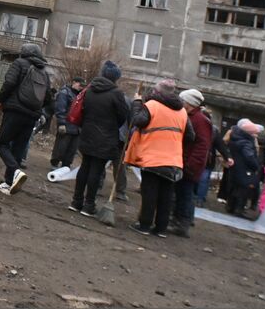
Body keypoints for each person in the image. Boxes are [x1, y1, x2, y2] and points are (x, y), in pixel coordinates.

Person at [124, 78, 189, 237]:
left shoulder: (152, 106)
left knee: (150, 193)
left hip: (153, 157)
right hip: (174, 159)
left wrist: (137, 104)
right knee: (166, 195)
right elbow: (191, 135)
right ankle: (161, 229)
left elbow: (136, 121)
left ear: (157, 92)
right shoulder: (182, 111)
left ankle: (144, 225)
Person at [69, 61, 130, 218]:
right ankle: (89, 205)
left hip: (87, 133)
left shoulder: (89, 89)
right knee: (96, 170)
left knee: (85, 166)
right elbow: (123, 116)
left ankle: (76, 201)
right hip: (106, 137)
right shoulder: (116, 93)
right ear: (116, 77)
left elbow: (82, 110)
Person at [0, 42, 53, 195]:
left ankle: (15, 172)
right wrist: (37, 110)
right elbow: (48, 97)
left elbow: (9, 83)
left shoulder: (19, 63)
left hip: (15, 111)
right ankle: (9, 182)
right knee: (18, 148)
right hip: (32, 115)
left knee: (2, 143)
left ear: (24, 53)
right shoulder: (44, 72)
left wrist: (1, 100)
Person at [172, 88, 213, 237]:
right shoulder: (190, 116)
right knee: (181, 193)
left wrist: (190, 165)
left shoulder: (200, 120)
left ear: (189, 103)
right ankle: (178, 220)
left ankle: (183, 224)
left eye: (183, 100)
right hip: (183, 162)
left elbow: (202, 146)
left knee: (185, 194)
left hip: (189, 165)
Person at [223, 119, 261, 218]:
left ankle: (230, 206)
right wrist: (256, 165)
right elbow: (249, 157)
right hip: (245, 169)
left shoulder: (235, 137)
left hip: (236, 167)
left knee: (235, 187)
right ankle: (239, 209)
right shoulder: (246, 142)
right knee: (244, 189)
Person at [50, 77, 85, 170]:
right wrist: (61, 123)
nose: (81, 87)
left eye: (82, 86)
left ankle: (65, 166)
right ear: (74, 82)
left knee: (71, 150)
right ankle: (54, 164)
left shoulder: (80, 96)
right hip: (66, 125)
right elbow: (60, 108)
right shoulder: (65, 93)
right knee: (60, 147)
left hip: (76, 127)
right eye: (80, 84)